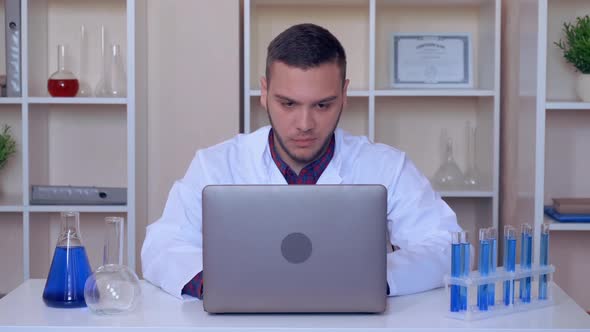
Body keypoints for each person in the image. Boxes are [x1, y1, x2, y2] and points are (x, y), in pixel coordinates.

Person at [141, 23, 461, 300]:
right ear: (264, 92)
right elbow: (162, 245)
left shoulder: (387, 166)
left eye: (322, 105)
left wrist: (372, 276)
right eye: (288, 103)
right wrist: (222, 283)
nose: (305, 123)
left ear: (344, 94)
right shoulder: (215, 165)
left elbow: (449, 245)